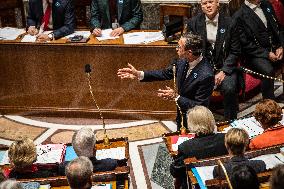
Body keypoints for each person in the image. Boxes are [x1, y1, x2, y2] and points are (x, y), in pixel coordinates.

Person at [117, 33, 215, 129]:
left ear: (189, 52)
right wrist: (139, 74)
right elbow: (165, 73)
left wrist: (176, 97)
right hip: (181, 116)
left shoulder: (206, 75)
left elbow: (200, 107)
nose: (176, 49)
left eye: (179, 47)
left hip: (196, 123)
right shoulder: (182, 61)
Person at [187, 0, 241, 120]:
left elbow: (235, 51)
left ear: (218, 3)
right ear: (201, 6)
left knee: (229, 87)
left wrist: (224, 71)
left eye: (211, 2)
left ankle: (230, 122)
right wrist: (205, 72)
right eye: (204, 3)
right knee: (190, 85)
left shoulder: (230, 23)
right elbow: (190, 50)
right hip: (203, 67)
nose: (208, 6)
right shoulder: (193, 23)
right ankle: (198, 122)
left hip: (225, 67)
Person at [234, 0, 284, 100]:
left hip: (275, 48)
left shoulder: (267, 4)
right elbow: (245, 45)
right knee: (267, 70)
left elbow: (278, 28)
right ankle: (269, 102)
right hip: (255, 54)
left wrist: (280, 46)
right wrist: (266, 54)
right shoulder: (239, 16)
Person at [170, 106, 227, 188]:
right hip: (223, 181)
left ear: (191, 124)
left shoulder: (185, 147)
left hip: (200, 184)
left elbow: (176, 171)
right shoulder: (226, 138)